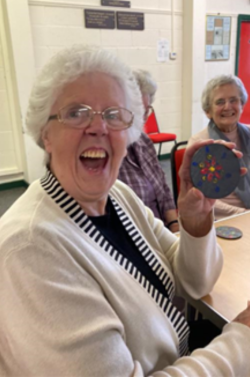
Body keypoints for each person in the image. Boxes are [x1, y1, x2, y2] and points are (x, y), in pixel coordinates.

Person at [0, 45, 250, 376]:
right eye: (76, 112)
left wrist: (196, 219)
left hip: (182, 350)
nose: (98, 127)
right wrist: (242, 339)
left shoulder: (119, 195)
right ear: (45, 134)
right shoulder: (30, 249)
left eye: (114, 114)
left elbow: (195, 281)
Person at [118, 69, 179, 233]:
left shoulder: (144, 142)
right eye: (135, 111)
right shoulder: (107, 153)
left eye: (145, 111)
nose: (142, 118)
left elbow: (164, 190)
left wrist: (175, 226)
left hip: (162, 234)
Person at [188, 75, 250, 219]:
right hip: (225, 218)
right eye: (220, 102)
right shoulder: (200, 144)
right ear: (208, 111)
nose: (228, 107)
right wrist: (242, 215)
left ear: (242, 105)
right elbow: (201, 198)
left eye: (233, 100)